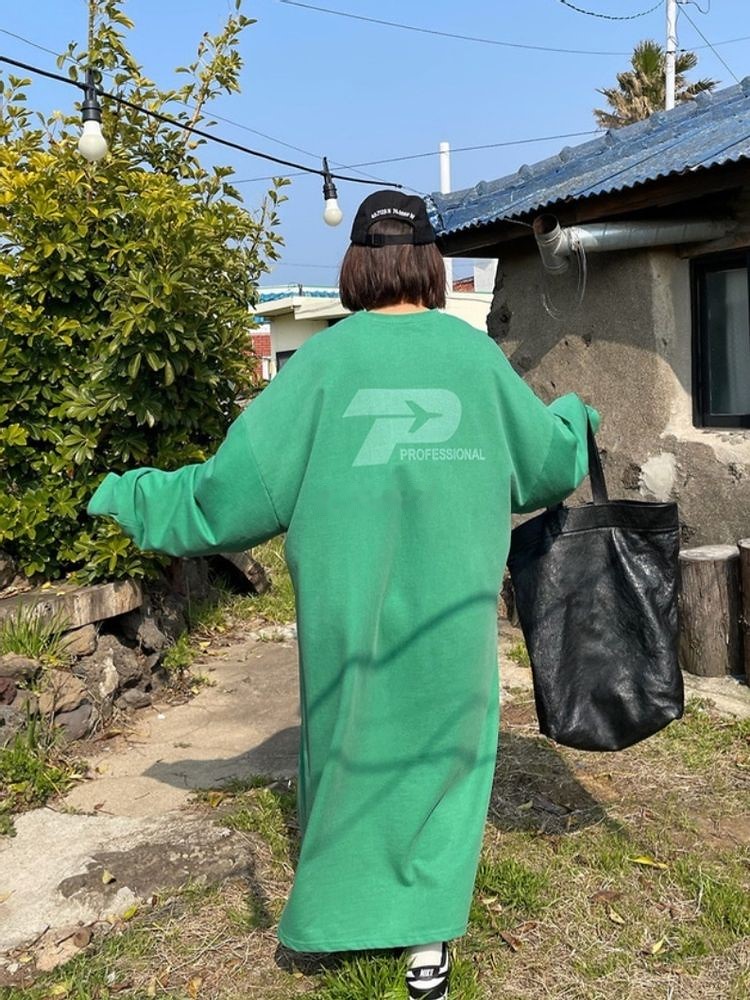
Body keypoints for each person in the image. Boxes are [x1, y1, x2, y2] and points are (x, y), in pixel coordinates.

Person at [88, 190, 599, 1000]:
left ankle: (338, 918)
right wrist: (576, 416)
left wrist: (124, 491)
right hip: (452, 620)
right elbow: (547, 464)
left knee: (346, 753)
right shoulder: (474, 361)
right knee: (444, 763)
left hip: (344, 619)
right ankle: (426, 940)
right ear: (430, 263)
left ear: (357, 264)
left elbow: (224, 499)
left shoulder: (320, 367)